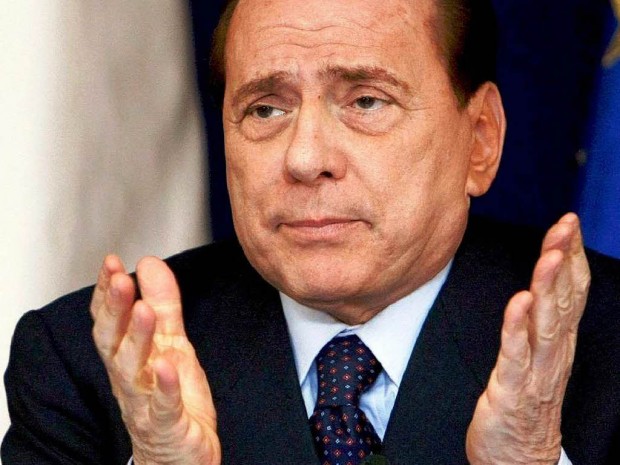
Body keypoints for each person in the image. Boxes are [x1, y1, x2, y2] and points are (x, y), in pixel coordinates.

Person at [2, 0, 619, 464]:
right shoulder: (85, 367)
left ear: (480, 139)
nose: (304, 158)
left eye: (366, 101)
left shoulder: (609, 349)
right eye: (266, 109)